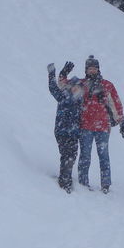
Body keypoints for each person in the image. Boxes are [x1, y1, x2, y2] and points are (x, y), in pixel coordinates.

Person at [61, 55, 124, 194]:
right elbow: (64, 86)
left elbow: (116, 104)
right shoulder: (81, 84)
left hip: (103, 127)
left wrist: (121, 120)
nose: (92, 71)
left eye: (94, 68)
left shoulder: (107, 85)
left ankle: (106, 185)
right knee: (85, 156)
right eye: (89, 68)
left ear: (98, 69)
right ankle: (83, 183)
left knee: (104, 156)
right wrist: (63, 74)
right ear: (86, 70)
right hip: (85, 127)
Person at [47, 61, 83, 193]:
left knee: (72, 156)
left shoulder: (81, 102)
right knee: (66, 155)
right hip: (62, 131)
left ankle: (65, 178)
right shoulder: (64, 96)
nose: (75, 89)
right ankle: (64, 181)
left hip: (74, 133)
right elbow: (53, 88)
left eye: (78, 87)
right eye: (73, 86)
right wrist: (52, 74)